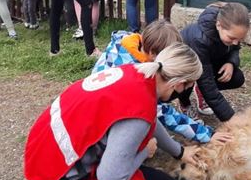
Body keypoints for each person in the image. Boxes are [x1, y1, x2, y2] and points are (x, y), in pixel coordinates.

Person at [24, 43, 203, 180]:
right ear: (180, 84)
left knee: (133, 153)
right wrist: (146, 151)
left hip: (41, 153)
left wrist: (180, 151)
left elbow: (149, 118)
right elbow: (109, 179)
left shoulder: (136, 72)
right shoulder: (140, 110)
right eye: (191, 85)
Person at [93, 19, 232, 145]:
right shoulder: (139, 80)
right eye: (170, 58)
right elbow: (163, 113)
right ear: (154, 54)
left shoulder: (124, 45)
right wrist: (206, 134)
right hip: (99, 128)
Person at [180, 2, 249, 121]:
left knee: (237, 78)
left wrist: (231, 63)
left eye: (240, 39)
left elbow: (235, 49)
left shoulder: (230, 30)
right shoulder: (199, 40)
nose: (236, 42)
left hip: (208, 62)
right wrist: (232, 120)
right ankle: (185, 104)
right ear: (218, 25)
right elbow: (207, 83)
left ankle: (200, 92)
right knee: (188, 80)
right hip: (184, 67)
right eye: (232, 38)